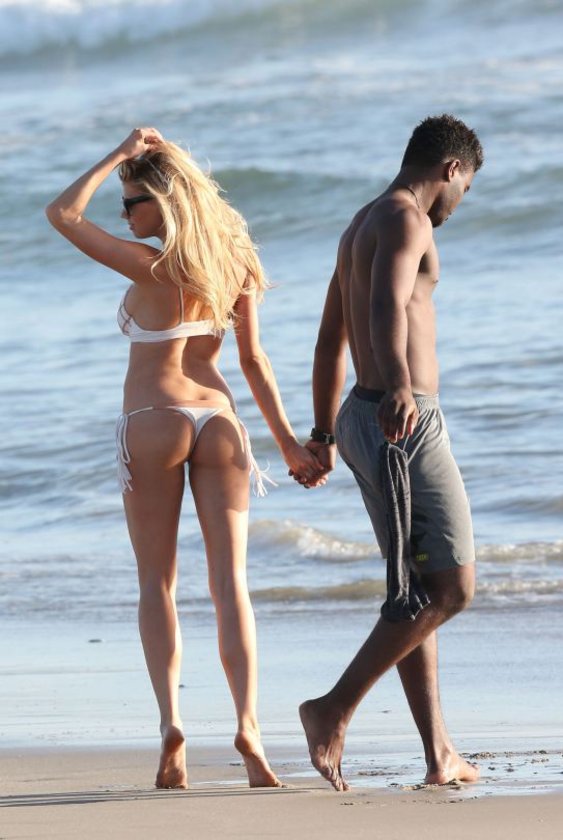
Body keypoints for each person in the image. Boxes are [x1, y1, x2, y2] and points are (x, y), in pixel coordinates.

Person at [46, 127, 323, 790]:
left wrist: (118, 154)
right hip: (220, 422)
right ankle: (249, 727)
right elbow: (253, 361)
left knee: (157, 584)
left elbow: (62, 214)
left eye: (131, 202)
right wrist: (289, 444)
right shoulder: (235, 260)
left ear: (163, 203)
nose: (124, 215)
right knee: (232, 586)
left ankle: (173, 726)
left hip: (153, 420)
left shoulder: (149, 265)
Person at [298, 114, 484, 791]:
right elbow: (385, 306)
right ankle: (333, 707)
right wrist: (402, 385)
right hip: (401, 420)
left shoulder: (360, 225)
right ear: (451, 169)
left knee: (415, 589)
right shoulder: (408, 219)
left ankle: (439, 755)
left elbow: (330, 339)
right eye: (466, 187)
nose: (459, 203)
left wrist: (323, 434)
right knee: (453, 588)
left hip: (360, 417)